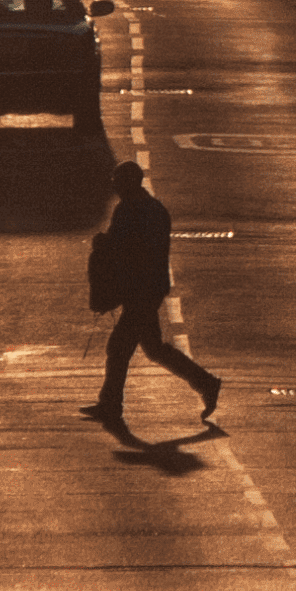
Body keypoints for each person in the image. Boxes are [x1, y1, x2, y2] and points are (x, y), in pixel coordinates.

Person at [82, 160, 220, 424]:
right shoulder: (150, 208)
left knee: (119, 346)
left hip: (141, 290)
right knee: (154, 349)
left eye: (118, 182)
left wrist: (103, 245)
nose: (115, 186)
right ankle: (207, 383)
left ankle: (111, 405)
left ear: (128, 183)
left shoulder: (132, 210)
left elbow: (125, 249)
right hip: (149, 287)